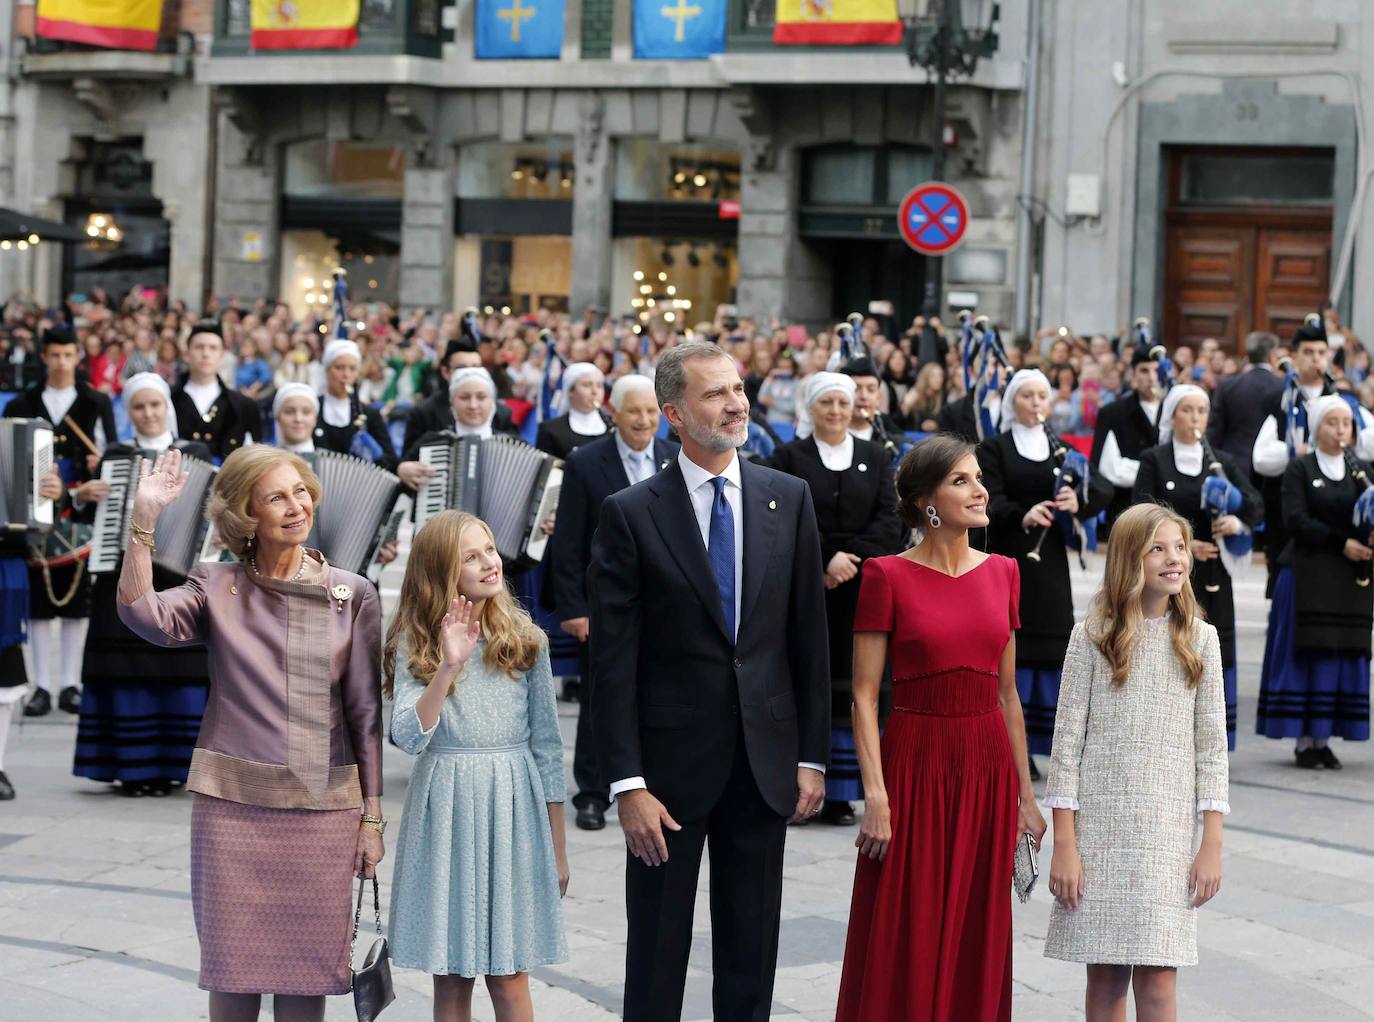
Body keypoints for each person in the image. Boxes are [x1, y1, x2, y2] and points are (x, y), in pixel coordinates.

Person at [589, 341, 830, 1022]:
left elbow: (806, 639)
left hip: (765, 764)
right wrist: (626, 784)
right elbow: (613, 662)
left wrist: (811, 756)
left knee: (751, 953)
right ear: (673, 412)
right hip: (666, 775)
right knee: (658, 952)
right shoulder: (632, 512)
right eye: (714, 394)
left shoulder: (789, 499)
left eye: (738, 389)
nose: (736, 404)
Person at [117, 446, 384, 1020]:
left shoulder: (352, 592)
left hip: (322, 814)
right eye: (276, 498)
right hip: (232, 814)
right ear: (246, 516)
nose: (296, 506)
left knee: (307, 986)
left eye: (300, 491)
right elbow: (142, 613)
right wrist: (144, 519)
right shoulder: (215, 585)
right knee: (232, 983)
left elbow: (365, 714)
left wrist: (372, 817)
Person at [835, 434, 1046, 1021]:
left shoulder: (1004, 572)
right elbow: (864, 693)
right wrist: (874, 796)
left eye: (979, 478)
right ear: (928, 502)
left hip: (986, 768)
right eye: (962, 481)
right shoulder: (885, 575)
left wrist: (1026, 797)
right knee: (906, 921)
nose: (981, 491)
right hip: (914, 764)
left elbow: (1008, 694)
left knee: (978, 925)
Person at [1044, 503, 1229, 1021]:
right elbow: (1065, 749)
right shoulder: (1090, 638)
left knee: (1159, 977)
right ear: (1129, 558)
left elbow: (1212, 750)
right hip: (1098, 836)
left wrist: (1210, 843)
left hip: (1166, 840)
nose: (1175, 559)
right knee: (1103, 976)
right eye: (1158, 549)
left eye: (1180, 547)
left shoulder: (1200, 641)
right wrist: (1065, 845)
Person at [386, 511, 569, 1019]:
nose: (489, 562)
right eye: (471, 555)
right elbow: (407, 736)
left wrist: (557, 848)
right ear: (442, 571)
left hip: (513, 807)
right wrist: (448, 666)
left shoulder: (526, 637)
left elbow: (549, 749)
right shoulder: (415, 642)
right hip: (446, 808)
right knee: (453, 979)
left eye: (489, 548)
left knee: (511, 977)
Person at [769, 372, 904, 825]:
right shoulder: (789, 456)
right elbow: (782, 515)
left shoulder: (875, 455)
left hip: (864, 586)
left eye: (842, 403)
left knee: (861, 682)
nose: (835, 411)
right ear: (810, 407)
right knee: (811, 677)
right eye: (826, 403)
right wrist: (825, 559)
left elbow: (892, 517)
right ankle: (806, 784)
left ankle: (850, 788)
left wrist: (855, 558)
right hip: (809, 586)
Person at [72, 373, 212, 796]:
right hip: (125, 576)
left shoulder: (197, 454)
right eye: (139, 407)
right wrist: (84, 496)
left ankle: (176, 765)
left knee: (181, 667)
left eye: (155, 405)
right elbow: (84, 521)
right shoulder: (116, 456)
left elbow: (212, 512)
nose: (148, 414)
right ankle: (130, 770)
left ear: (167, 407)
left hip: (179, 576)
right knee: (124, 668)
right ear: (128, 412)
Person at [550, 375, 677, 832]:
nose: (643, 420)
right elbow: (568, 541)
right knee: (603, 695)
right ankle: (591, 793)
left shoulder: (674, 457)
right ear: (614, 414)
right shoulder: (586, 462)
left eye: (650, 412)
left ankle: (649, 784)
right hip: (605, 604)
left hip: (665, 606)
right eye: (634, 411)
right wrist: (573, 608)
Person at [978, 370, 1111, 778]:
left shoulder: (1061, 450)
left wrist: (1077, 500)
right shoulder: (995, 449)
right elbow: (986, 499)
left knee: (1051, 650)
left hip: (1049, 561)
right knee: (1009, 647)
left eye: (1042, 396)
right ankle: (1008, 744)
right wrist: (1023, 514)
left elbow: (1101, 489)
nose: (1036, 403)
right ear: (1012, 403)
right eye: (1027, 396)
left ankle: (1046, 745)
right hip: (1009, 555)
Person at [1134, 385, 1262, 749]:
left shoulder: (1219, 459)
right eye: (1187, 411)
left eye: (1201, 411)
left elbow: (1254, 505)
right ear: (1172, 416)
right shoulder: (1154, 459)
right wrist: (1185, 546)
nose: (1195, 419)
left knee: (1211, 648)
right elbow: (1140, 511)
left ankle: (1211, 741)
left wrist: (1236, 523)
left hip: (1212, 575)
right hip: (1167, 574)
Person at [3, 326, 116, 717]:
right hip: (34, 515)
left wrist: (90, 475)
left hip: (79, 512)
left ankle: (71, 682)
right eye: (55, 355)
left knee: (76, 602)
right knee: (37, 602)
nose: (63, 363)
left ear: (78, 355)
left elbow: (111, 458)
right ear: (44, 357)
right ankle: (41, 685)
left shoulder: (95, 401)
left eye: (69, 355)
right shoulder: (22, 402)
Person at [1256, 396, 1372, 768]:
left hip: (1348, 580)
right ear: (1317, 426)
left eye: (1346, 423)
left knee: (1339, 654)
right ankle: (1304, 741)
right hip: (1308, 573)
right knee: (1310, 653)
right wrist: (1341, 542)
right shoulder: (1300, 468)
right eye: (1331, 423)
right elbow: (1295, 519)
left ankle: (1323, 739)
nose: (1340, 431)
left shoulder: (1363, 470)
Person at [1252, 318, 1374, 593]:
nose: (1315, 359)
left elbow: (1369, 442)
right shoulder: (1281, 399)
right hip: (1292, 502)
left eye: (1321, 353)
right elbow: (1260, 458)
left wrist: (1345, 440)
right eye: (1308, 353)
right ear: (1294, 357)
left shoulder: (1346, 400)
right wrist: (1299, 452)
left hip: (1338, 503)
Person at [401, 339, 519, 461]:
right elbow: (406, 462)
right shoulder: (424, 416)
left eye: (476, 367)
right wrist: (404, 469)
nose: (473, 405)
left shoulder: (503, 418)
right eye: (462, 368)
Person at [1090, 348, 1161, 536]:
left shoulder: (1175, 411)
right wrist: (1156, 472)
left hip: (1167, 510)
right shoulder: (1113, 413)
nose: (1152, 378)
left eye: (1156, 370)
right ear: (1134, 375)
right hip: (1125, 507)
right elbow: (1109, 468)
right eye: (1145, 371)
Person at [170, 322, 261, 461]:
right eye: (199, 347)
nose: (206, 354)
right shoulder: (168, 400)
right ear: (186, 354)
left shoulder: (244, 406)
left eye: (213, 348)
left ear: (222, 356)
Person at [1208, 331, 1284, 478]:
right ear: (1272, 357)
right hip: (1271, 467)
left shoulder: (1227, 385)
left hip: (1232, 464)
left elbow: (1215, 430)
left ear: (1248, 356)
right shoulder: (1283, 387)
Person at [313, 339, 397, 470]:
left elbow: (391, 462)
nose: (346, 375)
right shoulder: (312, 408)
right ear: (327, 370)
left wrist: (378, 457)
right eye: (339, 367)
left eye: (352, 369)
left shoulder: (369, 414)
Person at [536, 361, 611, 459]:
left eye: (599, 386)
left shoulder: (612, 427)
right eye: (587, 385)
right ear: (571, 391)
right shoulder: (551, 430)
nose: (594, 391)